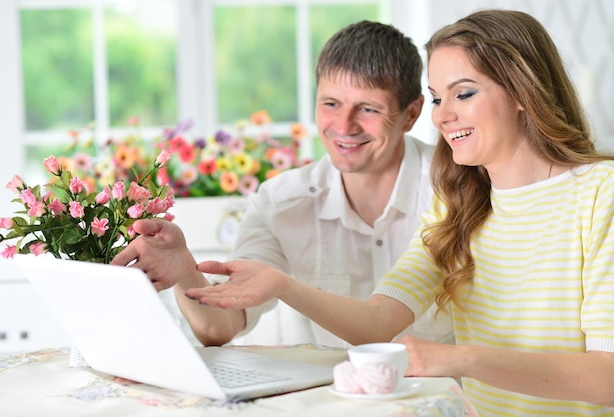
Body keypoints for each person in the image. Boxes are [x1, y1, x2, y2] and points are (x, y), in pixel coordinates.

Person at [185, 9, 614, 416]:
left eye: (463, 93)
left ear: (524, 90)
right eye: (436, 98)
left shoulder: (600, 194)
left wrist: (459, 359)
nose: (444, 115)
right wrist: (282, 285)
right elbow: (376, 322)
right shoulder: (458, 203)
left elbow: (607, 377)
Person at [111, 20, 454, 348]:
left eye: (367, 108)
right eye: (331, 104)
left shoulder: (456, 187)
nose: (344, 125)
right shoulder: (281, 202)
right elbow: (218, 328)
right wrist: (185, 270)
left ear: (411, 114)